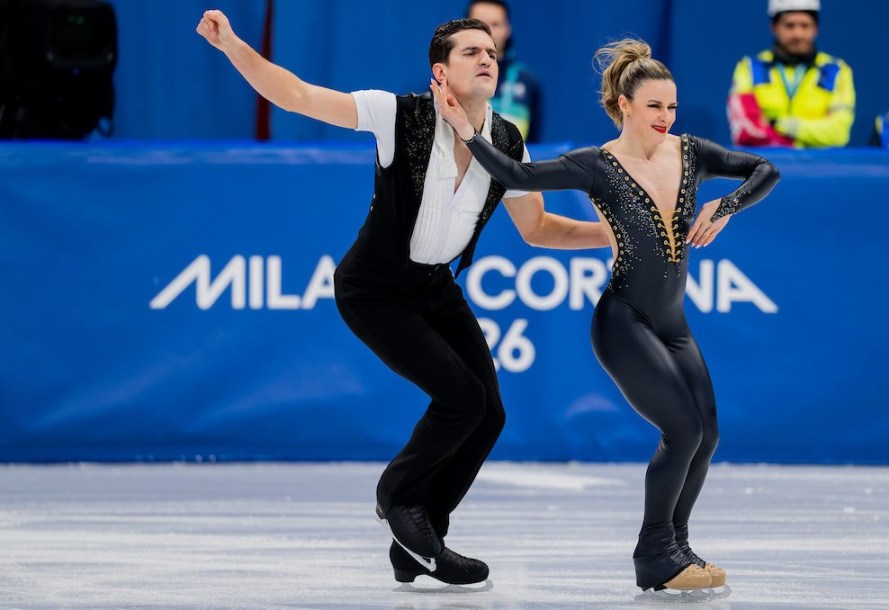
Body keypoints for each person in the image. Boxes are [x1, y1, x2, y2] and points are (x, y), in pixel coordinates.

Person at [195, 11, 607, 587]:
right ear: (441, 71)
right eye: (470, 52)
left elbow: (539, 230)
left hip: (435, 287)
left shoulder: (507, 139)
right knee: (461, 399)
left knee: (489, 413)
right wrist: (235, 45)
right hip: (374, 288)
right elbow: (294, 95)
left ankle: (419, 542)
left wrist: (614, 235)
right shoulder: (401, 115)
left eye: (489, 51)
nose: (486, 58)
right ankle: (397, 496)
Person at [431, 39, 780, 593]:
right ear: (624, 104)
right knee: (682, 428)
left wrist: (726, 206)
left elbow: (765, 168)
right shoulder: (597, 164)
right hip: (623, 322)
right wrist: (467, 132)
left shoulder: (692, 153)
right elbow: (519, 179)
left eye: (672, 107)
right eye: (654, 107)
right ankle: (655, 555)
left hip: (673, 324)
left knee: (706, 434)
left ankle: (676, 546)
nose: (666, 118)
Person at [727, 0, 854, 148]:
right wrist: (801, 139)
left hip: (821, 167)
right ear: (774, 28)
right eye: (789, 26)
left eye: (805, 26)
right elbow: (745, 130)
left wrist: (781, 125)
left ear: (816, 29)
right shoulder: (749, 67)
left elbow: (839, 133)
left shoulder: (837, 70)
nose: (798, 34)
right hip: (764, 166)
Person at [467, 0, 543, 142]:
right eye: (479, 23)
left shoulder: (528, 81)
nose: (487, 31)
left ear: (508, 29)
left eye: (495, 24)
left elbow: (533, 145)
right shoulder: (450, 80)